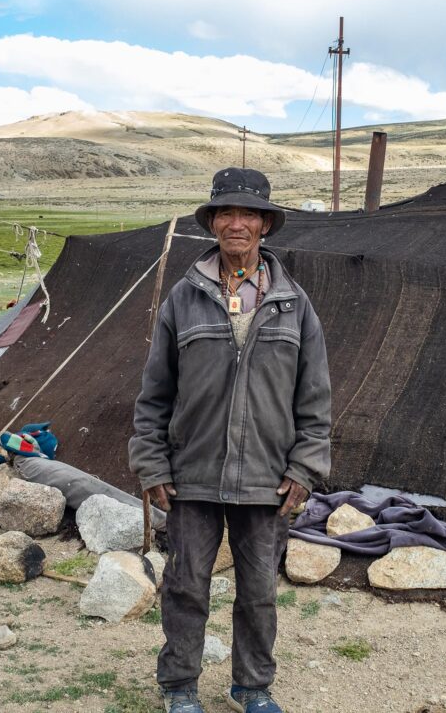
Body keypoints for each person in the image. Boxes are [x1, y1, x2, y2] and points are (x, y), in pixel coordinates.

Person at [129, 167, 332, 713]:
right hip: (192, 472)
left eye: (248, 214)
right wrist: (152, 465)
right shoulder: (184, 298)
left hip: (267, 475)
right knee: (186, 585)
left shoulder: (294, 304)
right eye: (226, 213)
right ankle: (180, 688)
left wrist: (304, 467)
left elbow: (314, 399)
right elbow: (154, 395)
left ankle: (253, 687)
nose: (236, 223)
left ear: (265, 224)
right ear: (213, 222)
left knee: (259, 592)